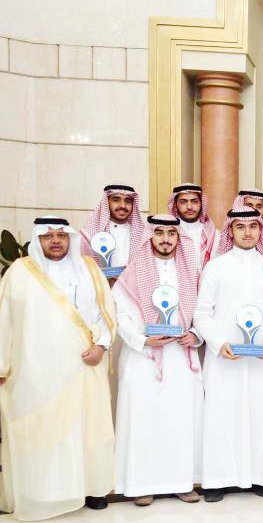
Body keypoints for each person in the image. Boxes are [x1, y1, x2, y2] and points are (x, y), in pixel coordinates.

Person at [0, 216, 115, 520]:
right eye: (48, 236)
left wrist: (101, 346)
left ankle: (91, 488)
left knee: (87, 429)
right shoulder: (20, 272)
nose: (55, 241)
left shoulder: (89, 269)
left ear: (70, 238)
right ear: (38, 240)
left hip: (84, 365)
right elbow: (3, 319)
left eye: (61, 235)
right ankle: (46, 492)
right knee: (45, 430)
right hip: (37, 370)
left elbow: (106, 312)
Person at [193, 209, 263, 502]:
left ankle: (260, 478)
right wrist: (219, 342)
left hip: (261, 359)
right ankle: (216, 481)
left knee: (260, 416)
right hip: (225, 359)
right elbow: (201, 314)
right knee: (221, 416)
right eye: (240, 227)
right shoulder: (216, 267)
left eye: (252, 227)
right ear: (231, 231)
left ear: (260, 230)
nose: (247, 233)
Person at [113, 214, 203, 506]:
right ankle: (142, 484)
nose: (165, 239)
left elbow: (204, 311)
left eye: (171, 234)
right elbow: (120, 314)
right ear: (150, 235)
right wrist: (142, 340)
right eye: (160, 232)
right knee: (144, 419)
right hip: (143, 358)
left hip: (180, 358)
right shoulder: (133, 273)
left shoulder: (191, 272)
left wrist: (195, 334)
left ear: (179, 238)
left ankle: (181, 482)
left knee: (180, 419)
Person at [80, 184, 145, 278]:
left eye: (128, 201)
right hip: (99, 285)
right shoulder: (89, 234)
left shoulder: (142, 235)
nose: (123, 205)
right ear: (107, 203)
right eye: (116, 200)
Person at [167, 184, 216, 271]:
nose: (189, 207)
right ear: (175, 205)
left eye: (194, 202)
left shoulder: (215, 235)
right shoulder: (166, 234)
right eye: (183, 202)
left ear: (201, 204)